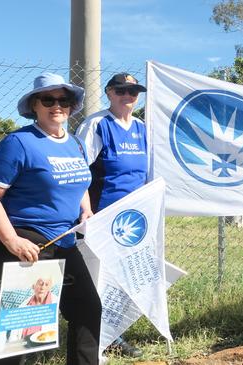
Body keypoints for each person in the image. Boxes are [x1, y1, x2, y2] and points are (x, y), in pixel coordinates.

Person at [0, 73, 100, 364]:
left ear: (71, 105)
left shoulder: (75, 144)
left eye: (63, 99)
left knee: (88, 309)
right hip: (28, 243)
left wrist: (85, 210)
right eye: (48, 99)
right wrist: (12, 240)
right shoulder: (18, 142)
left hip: (65, 241)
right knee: (20, 334)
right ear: (34, 105)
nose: (57, 105)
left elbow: (80, 181)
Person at [75, 73, 148, 357]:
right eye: (121, 90)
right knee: (97, 280)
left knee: (121, 280)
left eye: (133, 91)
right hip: (101, 218)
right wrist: (85, 211)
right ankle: (95, 344)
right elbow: (79, 170)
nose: (128, 95)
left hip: (132, 223)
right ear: (109, 92)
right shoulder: (97, 124)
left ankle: (113, 335)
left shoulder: (142, 127)